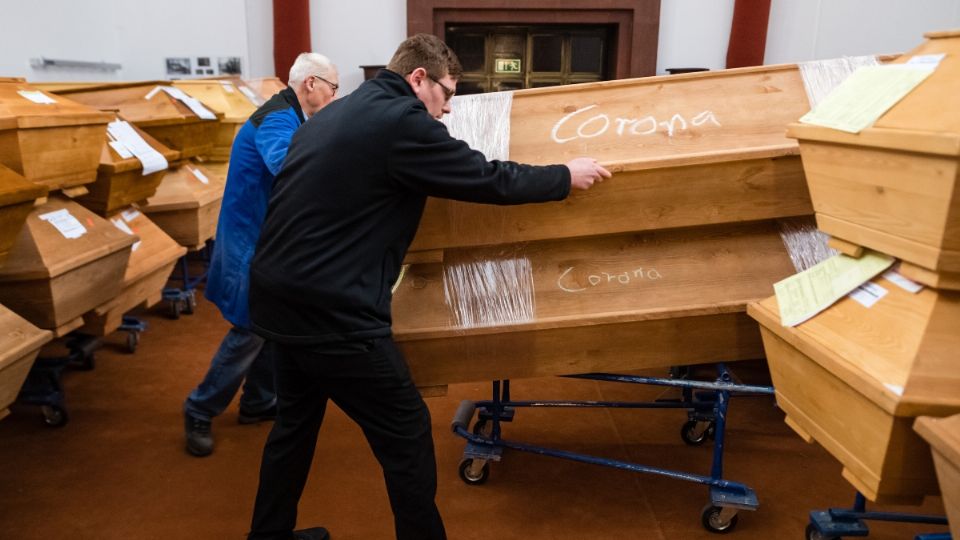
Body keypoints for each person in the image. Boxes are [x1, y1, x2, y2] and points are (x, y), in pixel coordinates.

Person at [246, 34, 611, 540]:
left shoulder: (340, 110)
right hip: (332, 313)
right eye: (447, 96)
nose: (446, 112)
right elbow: (485, 178)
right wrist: (563, 175)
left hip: (276, 298)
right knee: (407, 433)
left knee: (293, 429)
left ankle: (268, 536)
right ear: (419, 79)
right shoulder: (401, 122)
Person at [183, 52, 340, 458]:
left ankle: (256, 401)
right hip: (248, 242)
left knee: (271, 322)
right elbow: (288, 167)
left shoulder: (289, 115)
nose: (335, 95)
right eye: (333, 87)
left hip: (262, 239)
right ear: (311, 84)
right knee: (250, 329)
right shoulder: (277, 118)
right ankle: (200, 408)